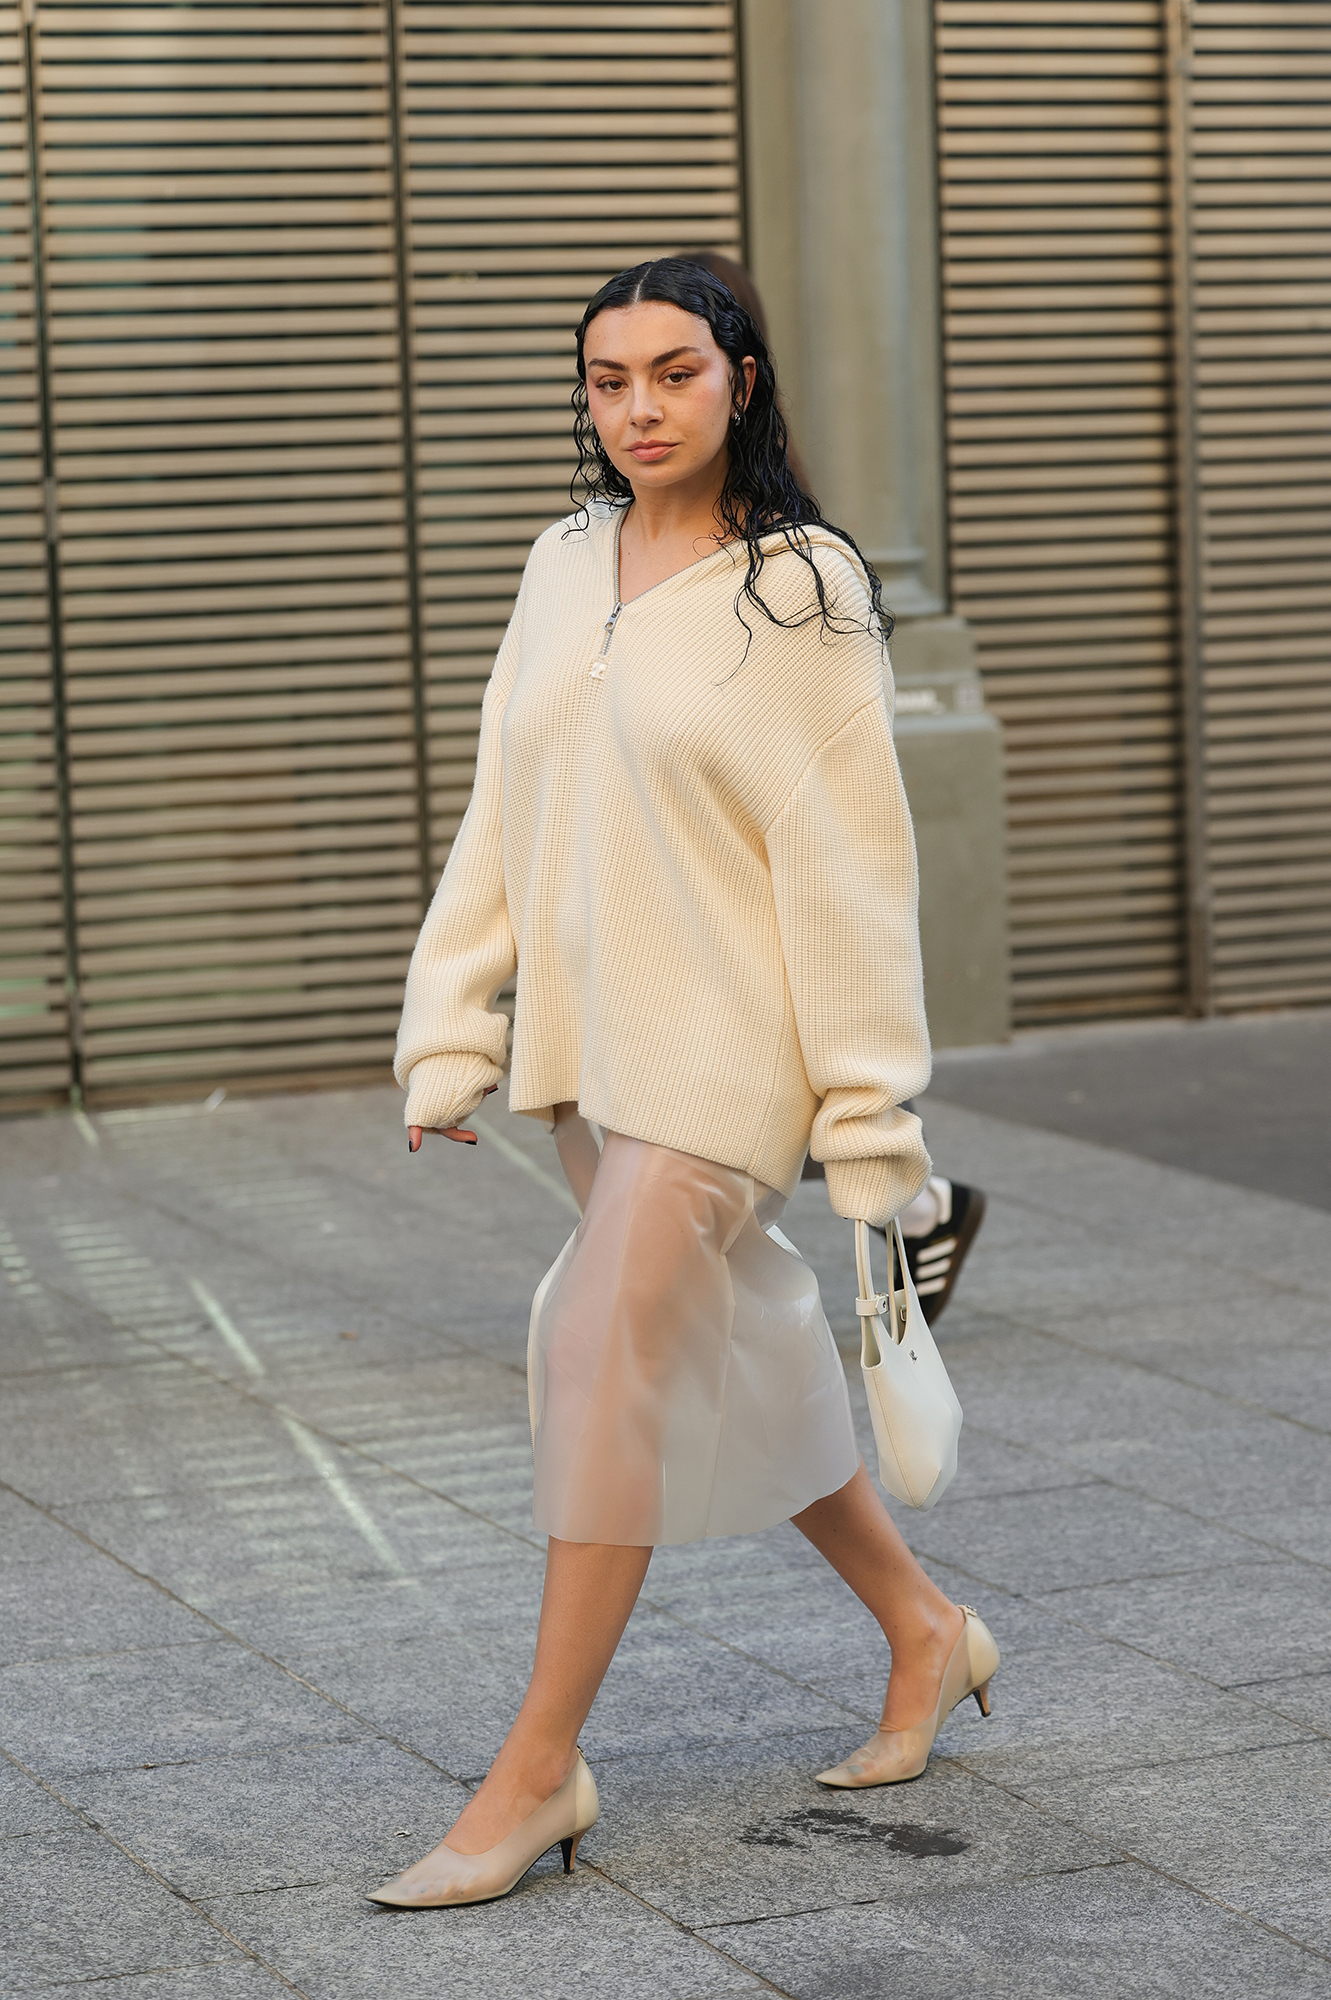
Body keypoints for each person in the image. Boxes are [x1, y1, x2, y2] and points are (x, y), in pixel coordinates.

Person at [373, 259, 1000, 1911]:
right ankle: (926, 1630)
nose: (637, 410)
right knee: (730, 1360)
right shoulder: (564, 562)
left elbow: (855, 870)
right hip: (591, 1058)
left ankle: (533, 1772)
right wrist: (454, 1022)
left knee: (595, 1355)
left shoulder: (803, 592)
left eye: (671, 374)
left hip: (729, 1058)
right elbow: (503, 806)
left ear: (741, 382)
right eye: (604, 381)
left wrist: (867, 1121)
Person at [680, 250, 987, 1322]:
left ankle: (913, 1209)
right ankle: (905, 1214)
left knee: (787, 1090)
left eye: (678, 368)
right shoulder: (639, 531)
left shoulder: (784, 545)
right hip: (688, 874)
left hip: (761, 871)